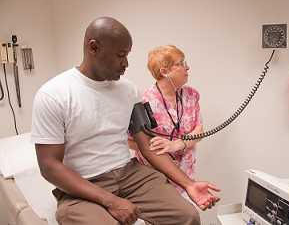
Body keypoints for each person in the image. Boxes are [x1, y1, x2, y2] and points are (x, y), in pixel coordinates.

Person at [31, 16, 220, 225]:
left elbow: (148, 145)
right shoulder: (54, 94)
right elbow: (49, 165)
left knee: (187, 216)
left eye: (127, 55)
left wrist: (189, 184)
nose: (126, 64)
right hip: (84, 185)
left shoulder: (129, 90)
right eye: (120, 55)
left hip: (131, 175)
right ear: (93, 48)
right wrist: (111, 201)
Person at [129, 45, 204, 199]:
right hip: (155, 178)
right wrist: (158, 148)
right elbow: (130, 141)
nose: (187, 67)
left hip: (187, 174)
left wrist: (177, 144)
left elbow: (199, 131)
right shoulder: (143, 102)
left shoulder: (191, 95)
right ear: (164, 71)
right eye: (181, 63)